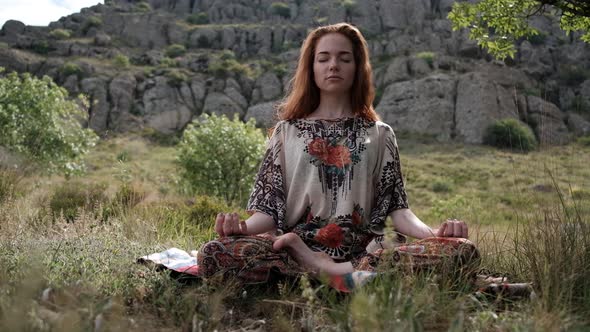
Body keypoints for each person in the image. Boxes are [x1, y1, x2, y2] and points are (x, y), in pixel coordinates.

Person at [199, 22, 471, 281]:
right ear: (312, 68)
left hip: (366, 251)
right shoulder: (286, 132)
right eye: (323, 58)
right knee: (214, 253)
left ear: (357, 68)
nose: (333, 65)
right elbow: (269, 209)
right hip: (295, 246)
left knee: (463, 251)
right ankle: (329, 269)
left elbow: (397, 211)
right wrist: (241, 229)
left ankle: (323, 271)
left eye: (344, 58)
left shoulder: (380, 134)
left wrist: (434, 234)